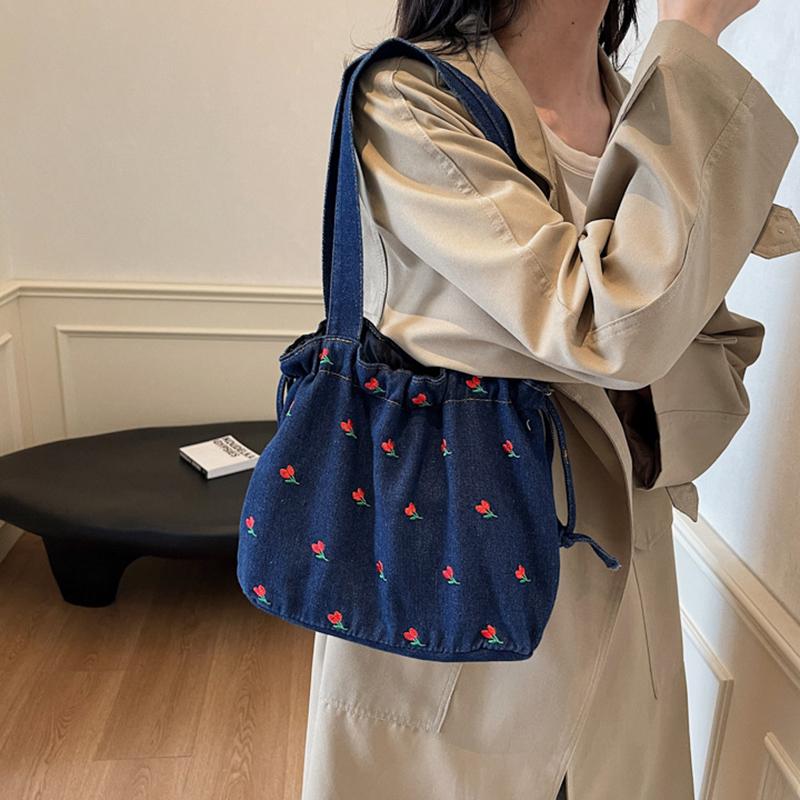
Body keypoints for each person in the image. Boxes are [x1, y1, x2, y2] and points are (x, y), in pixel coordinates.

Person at [300, 1, 799, 798]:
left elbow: (709, 365)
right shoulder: (407, 100)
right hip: (454, 630)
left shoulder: (646, 105)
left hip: (622, 624)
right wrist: (697, 30)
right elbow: (612, 330)